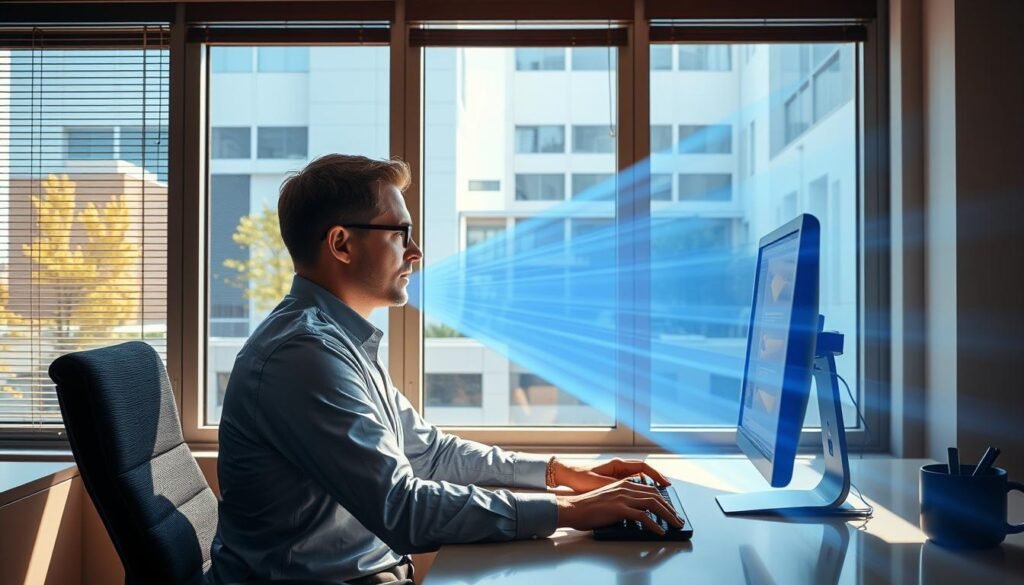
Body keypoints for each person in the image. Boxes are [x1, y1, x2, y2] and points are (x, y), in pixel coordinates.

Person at [210, 154, 683, 585]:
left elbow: (430, 455)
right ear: (341, 244)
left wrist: (560, 474)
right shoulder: (303, 356)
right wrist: (569, 510)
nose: (414, 252)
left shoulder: (339, 343)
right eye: (399, 234)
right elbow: (404, 510)